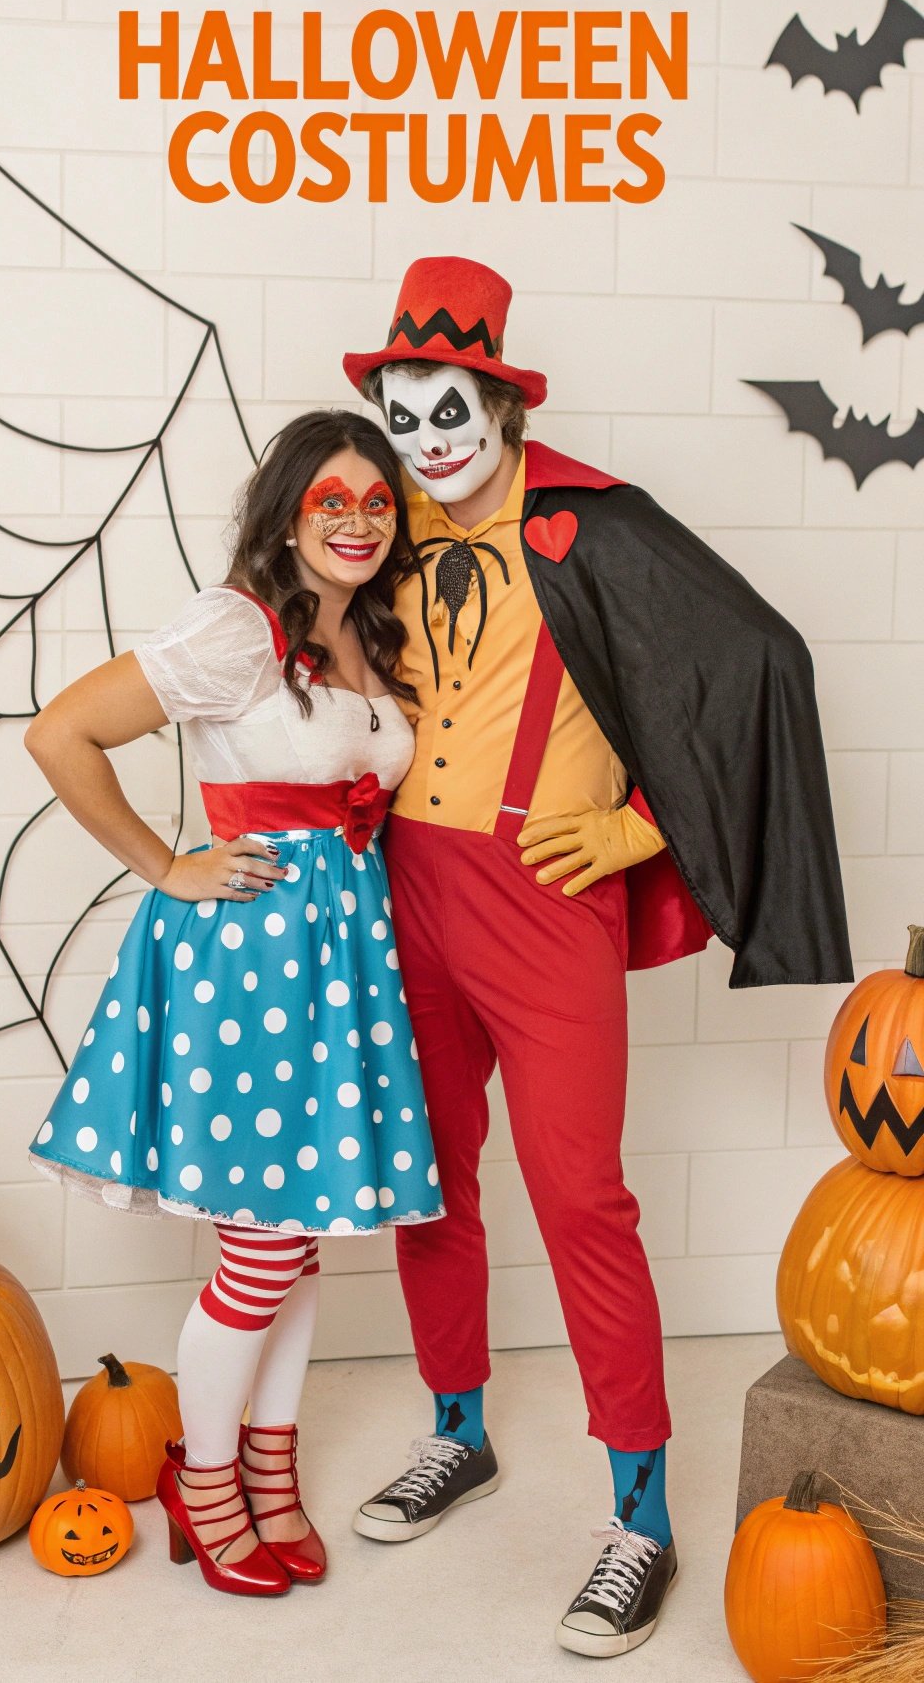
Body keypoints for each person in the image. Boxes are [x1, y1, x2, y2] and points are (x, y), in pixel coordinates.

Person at [341, 257, 853, 1658]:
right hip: (408, 896)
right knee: (430, 1184)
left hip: (541, 896)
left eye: (450, 407)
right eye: (403, 411)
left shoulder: (594, 530)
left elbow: (757, 660)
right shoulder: (378, 529)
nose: (429, 437)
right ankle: (459, 1432)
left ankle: (641, 1517)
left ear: (499, 402)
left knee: (581, 1198)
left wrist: (640, 828)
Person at [25, 409, 442, 1597]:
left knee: (297, 1243)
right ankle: (204, 1481)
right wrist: (168, 864)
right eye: (332, 500)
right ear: (288, 511)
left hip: (337, 967)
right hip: (247, 968)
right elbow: (60, 733)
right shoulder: (235, 630)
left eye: (377, 499)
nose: (358, 519)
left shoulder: (367, 632)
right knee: (262, 1251)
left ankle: (269, 1465)